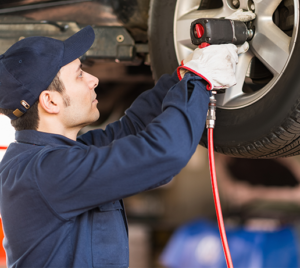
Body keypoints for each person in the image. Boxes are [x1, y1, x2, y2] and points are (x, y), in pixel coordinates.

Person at [0, 25, 241, 268]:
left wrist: (184, 74)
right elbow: (163, 153)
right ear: (50, 101)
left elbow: (132, 128)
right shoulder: (44, 173)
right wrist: (197, 81)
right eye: (80, 74)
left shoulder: (50, 158)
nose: (94, 80)